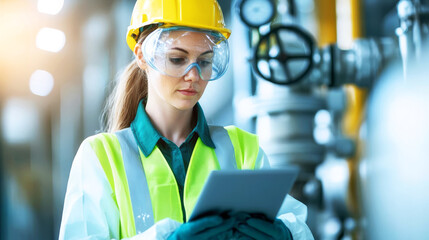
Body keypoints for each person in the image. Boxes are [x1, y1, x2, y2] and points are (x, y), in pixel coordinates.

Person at [59, 0, 314, 239]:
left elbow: (298, 224)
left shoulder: (242, 148)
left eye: (204, 61)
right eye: (177, 59)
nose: (193, 75)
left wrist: (288, 233)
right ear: (141, 55)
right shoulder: (100, 157)